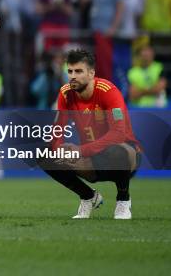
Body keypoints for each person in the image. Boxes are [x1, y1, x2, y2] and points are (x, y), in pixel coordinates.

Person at [39, 49, 142, 220]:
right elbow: (57, 130)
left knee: (116, 150)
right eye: (70, 71)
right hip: (92, 159)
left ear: (91, 73)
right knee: (44, 153)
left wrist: (80, 151)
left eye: (78, 71)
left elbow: (118, 133)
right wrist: (58, 150)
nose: (73, 76)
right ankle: (88, 196)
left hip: (127, 156)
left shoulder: (109, 91)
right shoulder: (65, 93)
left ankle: (123, 199)